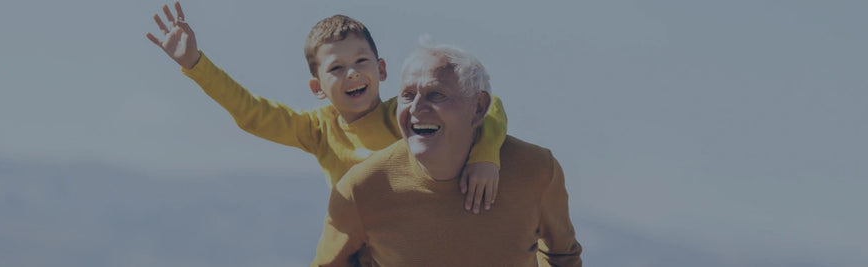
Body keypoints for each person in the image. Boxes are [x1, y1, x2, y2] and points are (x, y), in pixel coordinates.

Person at [144, 2, 509, 213]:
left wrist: (485, 155)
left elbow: (487, 106)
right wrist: (195, 64)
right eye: (336, 68)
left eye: (361, 61)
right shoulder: (318, 131)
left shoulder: (406, 112)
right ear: (318, 87)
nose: (352, 73)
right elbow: (251, 112)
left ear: (381, 70)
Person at [312, 38, 582, 266]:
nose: (416, 108)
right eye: (407, 95)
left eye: (436, 95)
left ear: (478, 107)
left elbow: (562, 256)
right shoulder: (360, 189)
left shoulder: (537, 170)